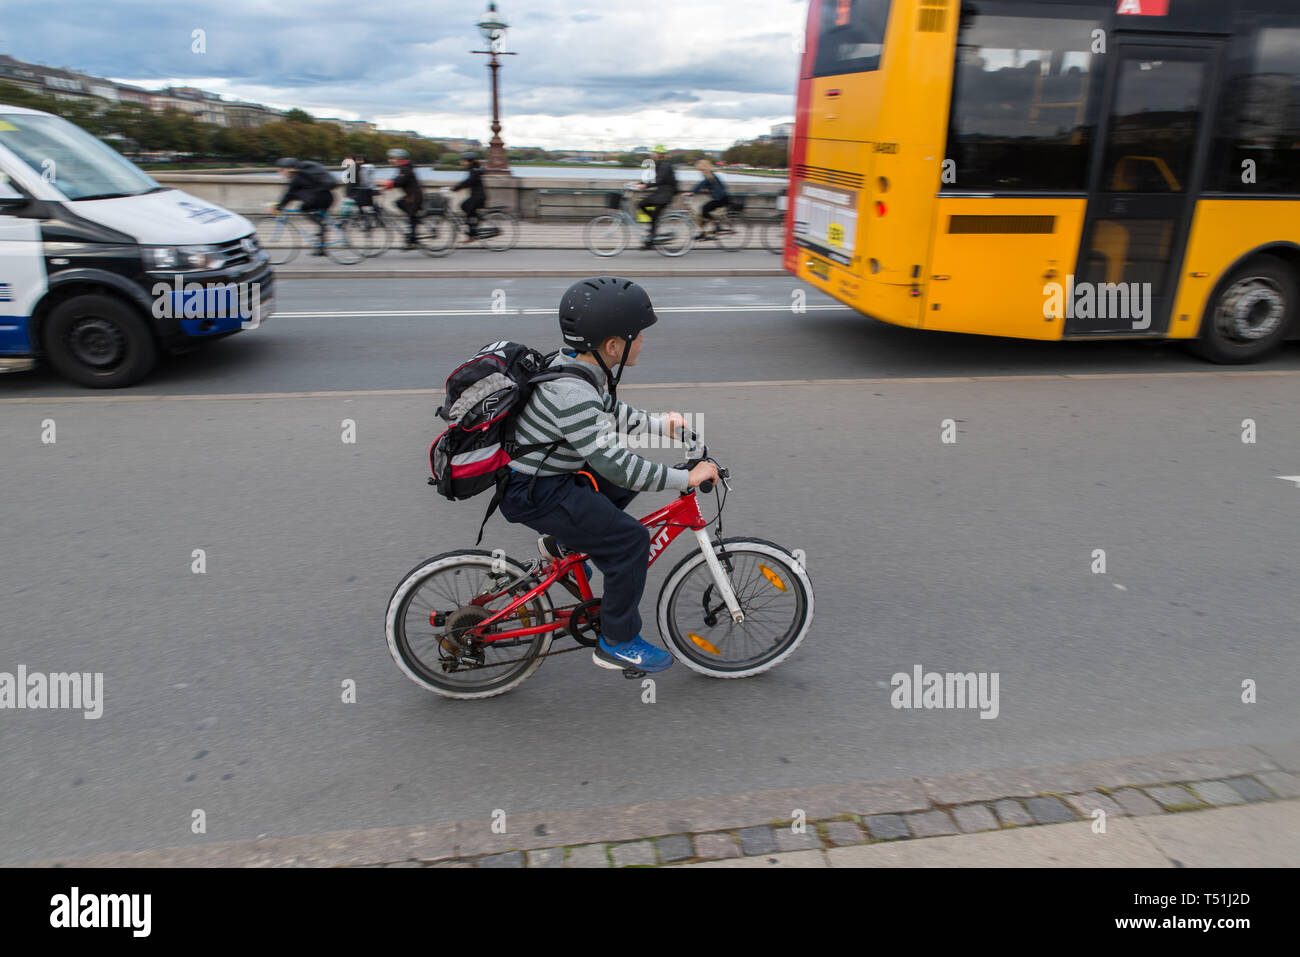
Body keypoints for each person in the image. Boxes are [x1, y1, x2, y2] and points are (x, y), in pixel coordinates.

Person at [499, 277, 719, 674]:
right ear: (613, 346)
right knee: (631, 540)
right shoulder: (573, 393)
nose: (644, 342)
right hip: (538, 491)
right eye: (638, 336)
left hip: (547, 477)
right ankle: (617, 641)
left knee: (611, 484)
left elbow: (608, 413)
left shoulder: (574, 368)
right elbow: (616, 462)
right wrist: (683, 479)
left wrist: (659, 424)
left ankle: (562, 545)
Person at [273, 157, 336, 255]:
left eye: (281, 169)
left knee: (303, 209)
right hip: (327, 198)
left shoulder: (297, 178)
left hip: (319, 199)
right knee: (320, 220)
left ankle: (322, 226)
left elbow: (289, 194)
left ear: (289, 169)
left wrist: (278, 207)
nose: (280, 172)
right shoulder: (304, 174)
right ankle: (322, 249)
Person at [379, 148, 423, 248]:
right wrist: (387, 184)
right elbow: (397, 179)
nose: (390, 160)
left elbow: (399, 181)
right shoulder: (403, 167)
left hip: (414, 196)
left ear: (399, 158)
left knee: (406, 209)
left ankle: (413, 237)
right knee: (401, 206)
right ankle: (413, 231)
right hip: (412, 195)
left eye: (392, 158)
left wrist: (387, 184)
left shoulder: (405, 168)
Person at [637, 145, 678, 248]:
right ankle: (654, 226)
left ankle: (650, 240)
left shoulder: (665, 165)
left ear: (659, 154)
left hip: (666, 193)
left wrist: (645, 185)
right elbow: (652, 177)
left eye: (654, 153)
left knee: (654, 214)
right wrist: (639, 183)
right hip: (661, 192)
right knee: (642, 204)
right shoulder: (659, 164)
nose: (653, 154)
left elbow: (659, 180)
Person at [690, 158, 731, 239]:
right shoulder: (711, 175)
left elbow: (701, 184)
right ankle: (703, 232)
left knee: (704, 209)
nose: (700, 171)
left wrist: (692, 192)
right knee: (703, 213)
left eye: (700, 169)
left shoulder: (709, 176)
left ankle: (717, 224)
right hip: (721, 198)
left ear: (704, 168)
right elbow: (707, 184)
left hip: (721, 199)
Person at [452, 152, 487, 241]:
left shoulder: (474, 170)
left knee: (465, 207)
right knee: (468, 210)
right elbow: (468, 181)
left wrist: (456, 188)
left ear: (468, 161)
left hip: (478, 196)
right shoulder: (474, 168)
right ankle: (473, 232)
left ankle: (472, 234)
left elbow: (469, 181)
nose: (462, 162)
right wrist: (458, 187)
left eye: (463, 160)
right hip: (477, 196)